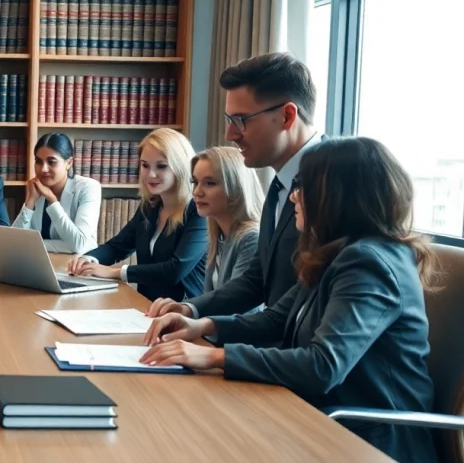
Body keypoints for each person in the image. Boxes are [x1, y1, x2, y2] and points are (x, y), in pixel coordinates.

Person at [140, 137, 440, 463]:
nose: (295, 196)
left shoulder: (369, 263)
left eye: (305, 187)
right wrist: (199, 324)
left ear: (337, 197)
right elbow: (275, 318)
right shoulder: (336, 254)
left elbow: (322, 366)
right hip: (319, 417)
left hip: (370, 439)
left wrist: (213, 358)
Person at [147, 52, 322, 319]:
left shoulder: (334, 185)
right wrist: (191, 310)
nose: (230, 134)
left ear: (287, 117)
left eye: (240, 120)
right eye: (229, 121)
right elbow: (256, 282)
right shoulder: (279, 188)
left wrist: (216, 349)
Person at [67, 128, 207, 302]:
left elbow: (175, 270)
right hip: (146, 307)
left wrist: (115, 273)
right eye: (145, 165)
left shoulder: (198, 211)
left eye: (161, 166)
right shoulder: (150, 206)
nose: (151, 174)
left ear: (180, 167)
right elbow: (117, 247)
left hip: (183, 314)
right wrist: (88, 259)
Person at [190, 146, 263, 297]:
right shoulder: (218, 236)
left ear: (236, 186)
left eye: (209, 183)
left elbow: (239, 307)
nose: (197, 192)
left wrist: (188, 310)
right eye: (195, 182)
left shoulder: (251, 239)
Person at [11, 132, 100, 254]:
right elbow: (15, 242)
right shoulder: (37, 188)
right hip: (40, 264)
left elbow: (78, 244)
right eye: (38, 161)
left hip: (77, 267)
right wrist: (30, 202)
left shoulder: (88, 187)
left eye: (51, 162)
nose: (43, 169)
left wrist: (52, 200)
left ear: (68, 163)